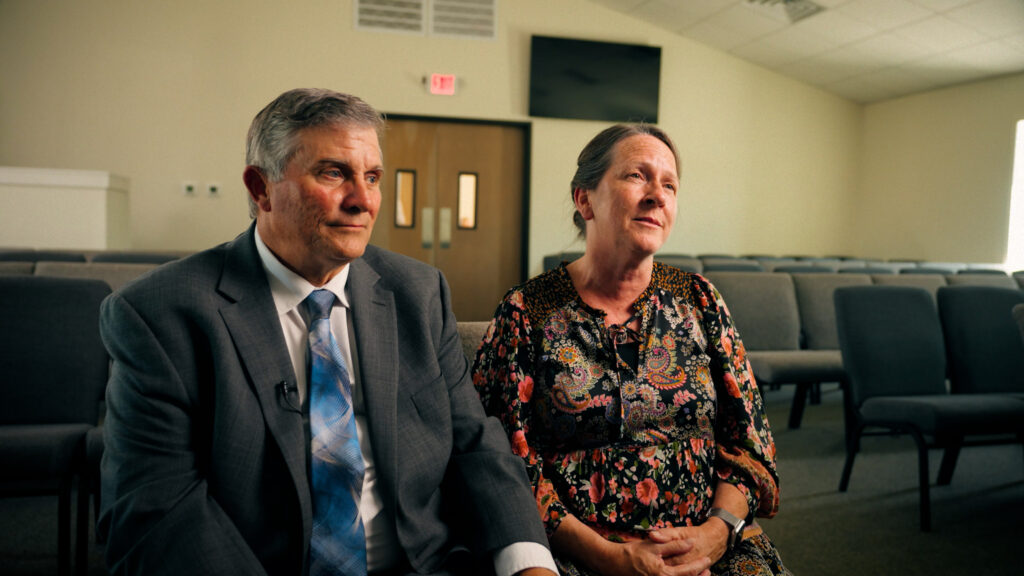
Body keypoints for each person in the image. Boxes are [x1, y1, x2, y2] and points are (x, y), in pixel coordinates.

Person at [98, 88, 558, 576]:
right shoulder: (161, 314)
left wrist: (529, 564)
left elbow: (474, 445)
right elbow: (158, 510)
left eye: (373, 177)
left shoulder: (417, 293)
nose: (363, 201)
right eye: (333, 173)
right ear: (261, 188)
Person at [472, 124, 790, 576]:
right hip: (580, 555)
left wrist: (715, 535)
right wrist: (612, 558)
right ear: (585, 200)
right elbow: (504, 467)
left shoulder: (699, 301)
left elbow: (751, 447)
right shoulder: (528, 312)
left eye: (669, 185)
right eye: (636, 176)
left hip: (706, 547)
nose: (657, 195)